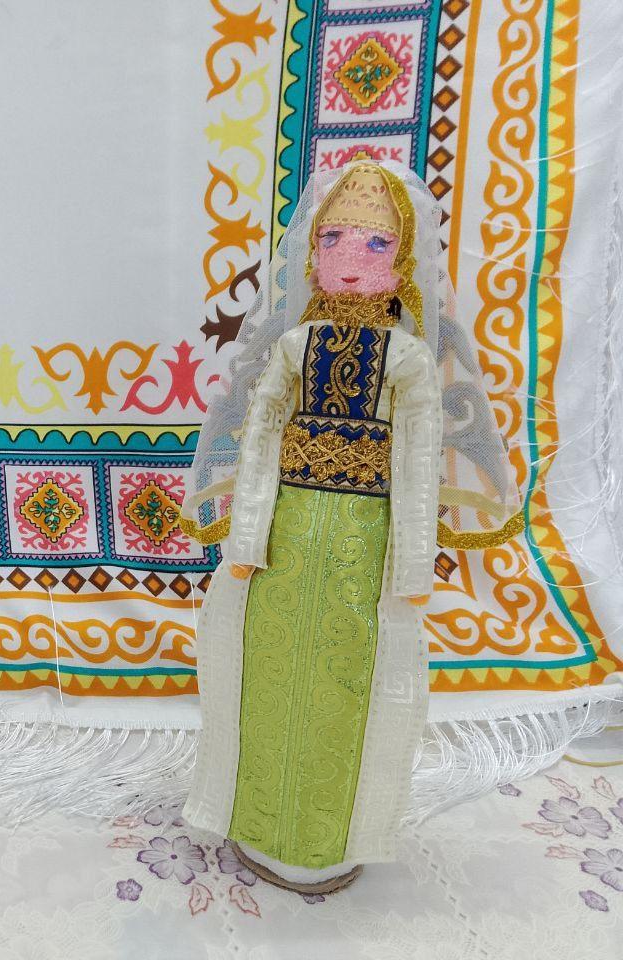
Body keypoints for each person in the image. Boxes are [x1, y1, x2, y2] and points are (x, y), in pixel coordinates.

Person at [180, 159, 523, 893]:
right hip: (285, 540)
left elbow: (420, 460)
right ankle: (258, 821)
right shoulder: (294, 347)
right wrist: (246, 538)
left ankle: (325, 841)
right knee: (270, 674)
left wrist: (413, 564)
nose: (348, 257)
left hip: (364, 546)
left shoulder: (408, 359)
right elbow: (260, 436)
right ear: (311, 252)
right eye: (332, 238)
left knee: (345, 682)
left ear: (402, 260)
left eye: (373, 243)